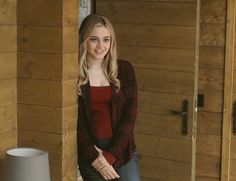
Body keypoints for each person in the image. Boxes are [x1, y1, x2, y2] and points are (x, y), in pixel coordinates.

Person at [77, 13, 141, 181]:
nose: (101, 46)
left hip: (122, 149)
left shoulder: (124, 70)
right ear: (84, 40)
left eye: (106, 39)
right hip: (90, 152)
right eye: (94, 39)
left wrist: (110, 156)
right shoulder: (73, 74)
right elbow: (76, 121)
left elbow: (130, 117)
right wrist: (95, 156)